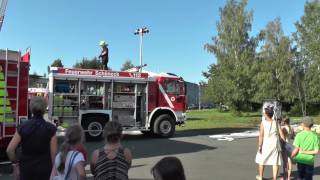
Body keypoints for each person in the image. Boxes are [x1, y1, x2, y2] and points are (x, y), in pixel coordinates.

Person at [6, 96, 58, 180]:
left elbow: (10, 150)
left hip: (26, 170)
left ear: (31, 108)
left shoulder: (22, 127)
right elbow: (54, 154)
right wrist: (54, 173)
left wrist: (15, 165)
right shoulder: (51, 129)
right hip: (44, 170)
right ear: (44, 109)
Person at [255, 106, 285, 180]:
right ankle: (274, 178)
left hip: (265, 144)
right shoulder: (276, 122)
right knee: (275, 161)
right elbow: (281, 134)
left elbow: (261, 135)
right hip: (274, 143)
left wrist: (259, 146)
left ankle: (261, 177)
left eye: (264, 113)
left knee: (261, 160)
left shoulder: (263, 123)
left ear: (266, 114)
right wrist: (284, 143)